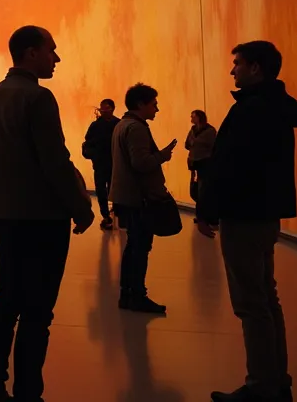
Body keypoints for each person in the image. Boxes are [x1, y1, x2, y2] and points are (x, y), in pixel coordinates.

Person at [0, 26, 94, 402]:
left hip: (6, 216)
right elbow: (54, 161)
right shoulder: (39, 98)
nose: (55, 58)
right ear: (30, 53)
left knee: (6, 299)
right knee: (37, 310)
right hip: (43, 219)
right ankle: (28, 391)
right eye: (51, 51)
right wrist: (80, 207)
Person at [197, 41, 297, 402]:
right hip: (265, 214)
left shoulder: (250, 111)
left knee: (250, 303)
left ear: (256, 68)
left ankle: (260, 386)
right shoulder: (278, 109)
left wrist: (207, 209)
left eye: (237, 63)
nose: (232, 70)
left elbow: (230, 167)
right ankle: (277, 381)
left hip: (243, 216)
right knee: (266, 299)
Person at [110, 83, 177, 314]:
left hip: (128, 197)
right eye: (154, 104)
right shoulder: (136, 128)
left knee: (133, 246)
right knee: (140, 248)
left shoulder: (122, 125)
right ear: (141, 104)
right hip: (139, 199)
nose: (156, 109)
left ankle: (127, 294)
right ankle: (137, 295)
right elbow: (140, 163)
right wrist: (163, 156)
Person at [82, 98, 121, 230]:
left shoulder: (118, 124)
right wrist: (93, 154)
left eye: (106, 108)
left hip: (113, 163)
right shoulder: (96, 125)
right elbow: (88, 141)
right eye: (102, 108)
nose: (103, 110)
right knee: (101, 190)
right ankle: (106, 215)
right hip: (100, 163)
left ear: (112, 108)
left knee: (113, 188)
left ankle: (115, 211)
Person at [185, 109, 217, 205]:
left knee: (203, 189)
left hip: (204, 162)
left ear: (199, 117)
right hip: (193, 162)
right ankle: (200, 211)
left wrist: (196, 144)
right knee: (194, 189)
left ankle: (203, 213)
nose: (191, 118)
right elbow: (187, 144)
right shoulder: (193, 130)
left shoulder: (210, 131)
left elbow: (213, 146)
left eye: (193, 116)